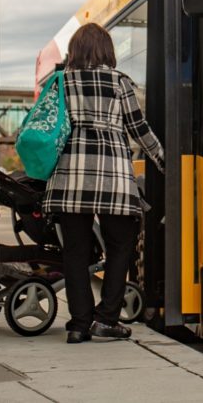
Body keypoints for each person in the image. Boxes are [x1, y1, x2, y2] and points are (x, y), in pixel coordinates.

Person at [42, 23, 164, 344]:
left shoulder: (60, 82)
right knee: (121, 245)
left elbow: (48, 128)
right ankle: (107, 318)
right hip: (114, 178)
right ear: (107, 50)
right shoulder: (120, 82)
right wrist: (164, 162)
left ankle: (79, 324)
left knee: (75, 253)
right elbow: (139, 129)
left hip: (70, 176)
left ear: (76, 50)